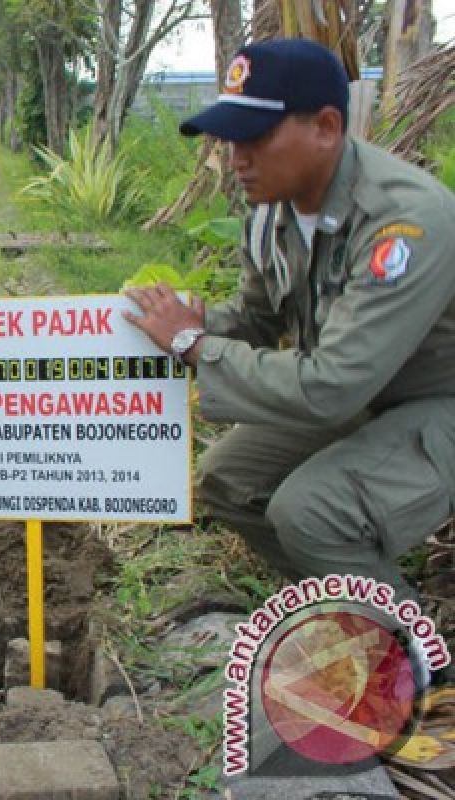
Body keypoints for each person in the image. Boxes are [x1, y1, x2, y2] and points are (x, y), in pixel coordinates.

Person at [123, 38, 455, 604]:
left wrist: (194, 344)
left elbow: (333, 386)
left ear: (326, 127)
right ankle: (341, 602)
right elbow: (255, 320)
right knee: (226, 478)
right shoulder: (270, 213)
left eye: (255, 138)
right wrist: (157, 327)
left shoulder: (402, 222)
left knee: (310, 508)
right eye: (230, 139)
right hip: (364, 398)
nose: (236, 159)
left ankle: (413, 658)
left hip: (435, 403)